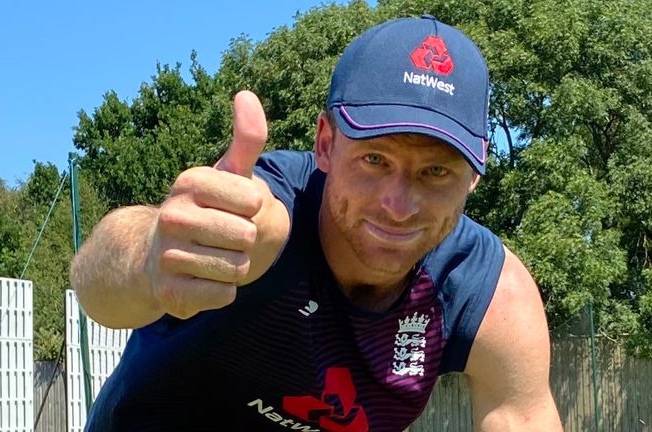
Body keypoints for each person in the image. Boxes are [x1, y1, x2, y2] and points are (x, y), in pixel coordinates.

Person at [70, 15, 562, 432]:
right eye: (375, 159)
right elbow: (94, 287)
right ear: (325, 143)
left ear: (473, 176)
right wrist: (153, 255)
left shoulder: (488, 295)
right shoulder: (268, 222)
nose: (399, 205)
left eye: (436, 171)